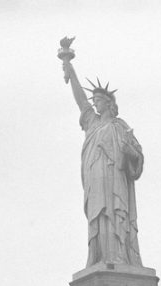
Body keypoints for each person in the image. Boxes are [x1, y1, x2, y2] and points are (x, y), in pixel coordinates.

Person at [60, 49, 143, 267]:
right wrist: (69, 66)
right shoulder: (92, 123)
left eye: (98, 100)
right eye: (94, 100)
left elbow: (137, 156)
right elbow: (80, 101)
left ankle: (118, 256)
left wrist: (131, 153)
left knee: (114, 213)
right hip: (95, 177)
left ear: (108, 103)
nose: (95, 103)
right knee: (98, 216)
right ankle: (98, 256)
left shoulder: (120, 126)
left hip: (115, 177)